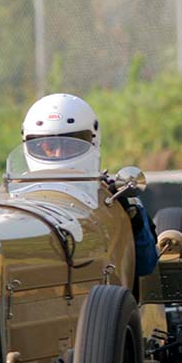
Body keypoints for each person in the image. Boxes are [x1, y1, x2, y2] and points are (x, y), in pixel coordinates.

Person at [19, 93, 158, 276]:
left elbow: (146, 265)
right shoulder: (15, 195)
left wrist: (132, 217)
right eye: (49, 147)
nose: (59, 154)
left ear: (92, 140)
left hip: (104, 295)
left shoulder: (114, 197)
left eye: (70, 144)